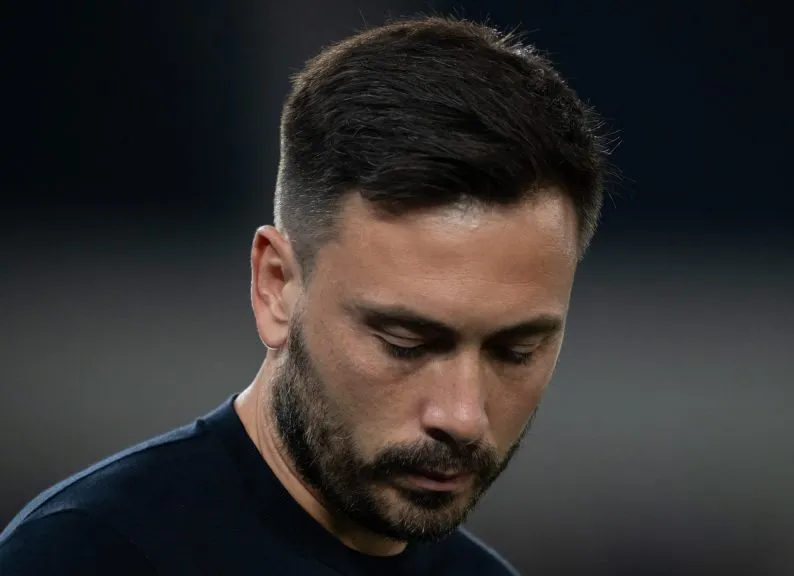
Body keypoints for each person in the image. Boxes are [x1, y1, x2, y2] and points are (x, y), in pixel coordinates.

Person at [0, 15, 609, 576]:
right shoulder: (86, 556)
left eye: (516, 351)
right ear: (276, 287)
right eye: (405, 343)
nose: (462, 416)